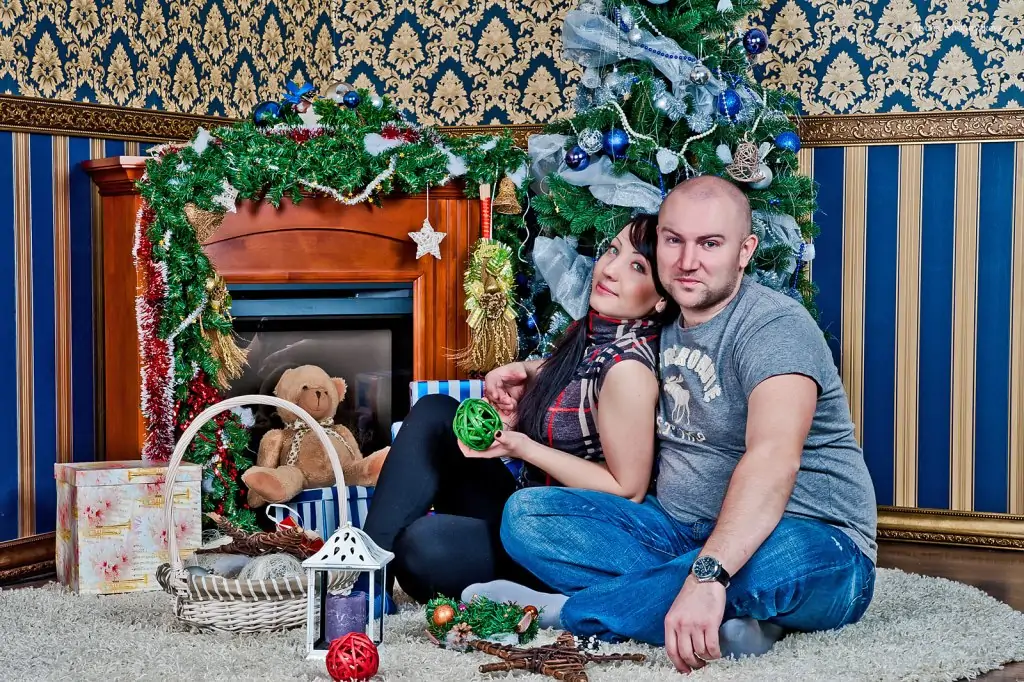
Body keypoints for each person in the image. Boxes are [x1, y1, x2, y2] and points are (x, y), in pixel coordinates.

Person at [478, 175, 878, 672]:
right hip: (676, 530)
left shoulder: (774, 327)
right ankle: (735, 619)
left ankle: (573, 613)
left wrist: (708, 574)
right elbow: (608, 362)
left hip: (814, 537)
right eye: (673, 241)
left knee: (775, 557)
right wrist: (530, 370)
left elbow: (773, 458)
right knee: (527, 517)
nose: (688, 262)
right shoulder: (667, 316)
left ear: (745, 251)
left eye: (710, 243)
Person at [360, 215, 678, 608]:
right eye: (613, 250)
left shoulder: (629, 371)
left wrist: (522, 446)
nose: (610, 269)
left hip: (561, 543)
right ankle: (364, 581)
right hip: (523, 510)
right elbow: (578, 376)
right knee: (435, 412)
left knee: (423, 547)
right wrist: (525, 372)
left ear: (662, 298)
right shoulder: (595, 332)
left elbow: (626, 489)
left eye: (637, 267)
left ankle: (378, 579)